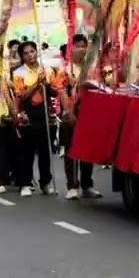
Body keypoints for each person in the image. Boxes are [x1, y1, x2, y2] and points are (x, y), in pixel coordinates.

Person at [12, 40, 57, 196]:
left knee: (45, 151)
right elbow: (21, 95)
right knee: (27, 151)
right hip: (27, 114)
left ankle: (45, 182)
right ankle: (25, 183)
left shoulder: (47, 69)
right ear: (22, 57)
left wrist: (49, 83)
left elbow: (55, 92)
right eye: (26, 53)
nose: (30, 55)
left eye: (32, 51)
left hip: (44, 112)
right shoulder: (18, 73)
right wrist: (38, 82)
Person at [59, 34, 100, 199]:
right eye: (77, 46)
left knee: (87, 149)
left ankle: (87, 185)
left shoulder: (91, 68)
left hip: (88, 112)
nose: (81, 49)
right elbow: (61, 90)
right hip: (71, 112)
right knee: (70, 149)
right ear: (71, 48)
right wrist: (68, 110)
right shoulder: (65, 69)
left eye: (84, 46)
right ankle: (72, 186)